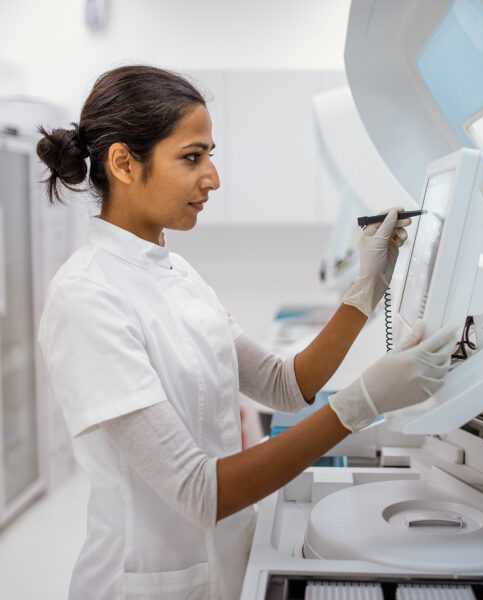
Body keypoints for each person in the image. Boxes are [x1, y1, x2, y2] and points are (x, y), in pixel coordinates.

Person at [37, 65, 458, 600]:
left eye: (210, 155)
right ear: (123, 162)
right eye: (192, 157)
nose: (212, 177)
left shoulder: (176, 274)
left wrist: (366, 289)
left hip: (227, 568)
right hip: (148, 585)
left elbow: (285, 384)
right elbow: (198, 492)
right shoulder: (86, 297)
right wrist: (362, 401)